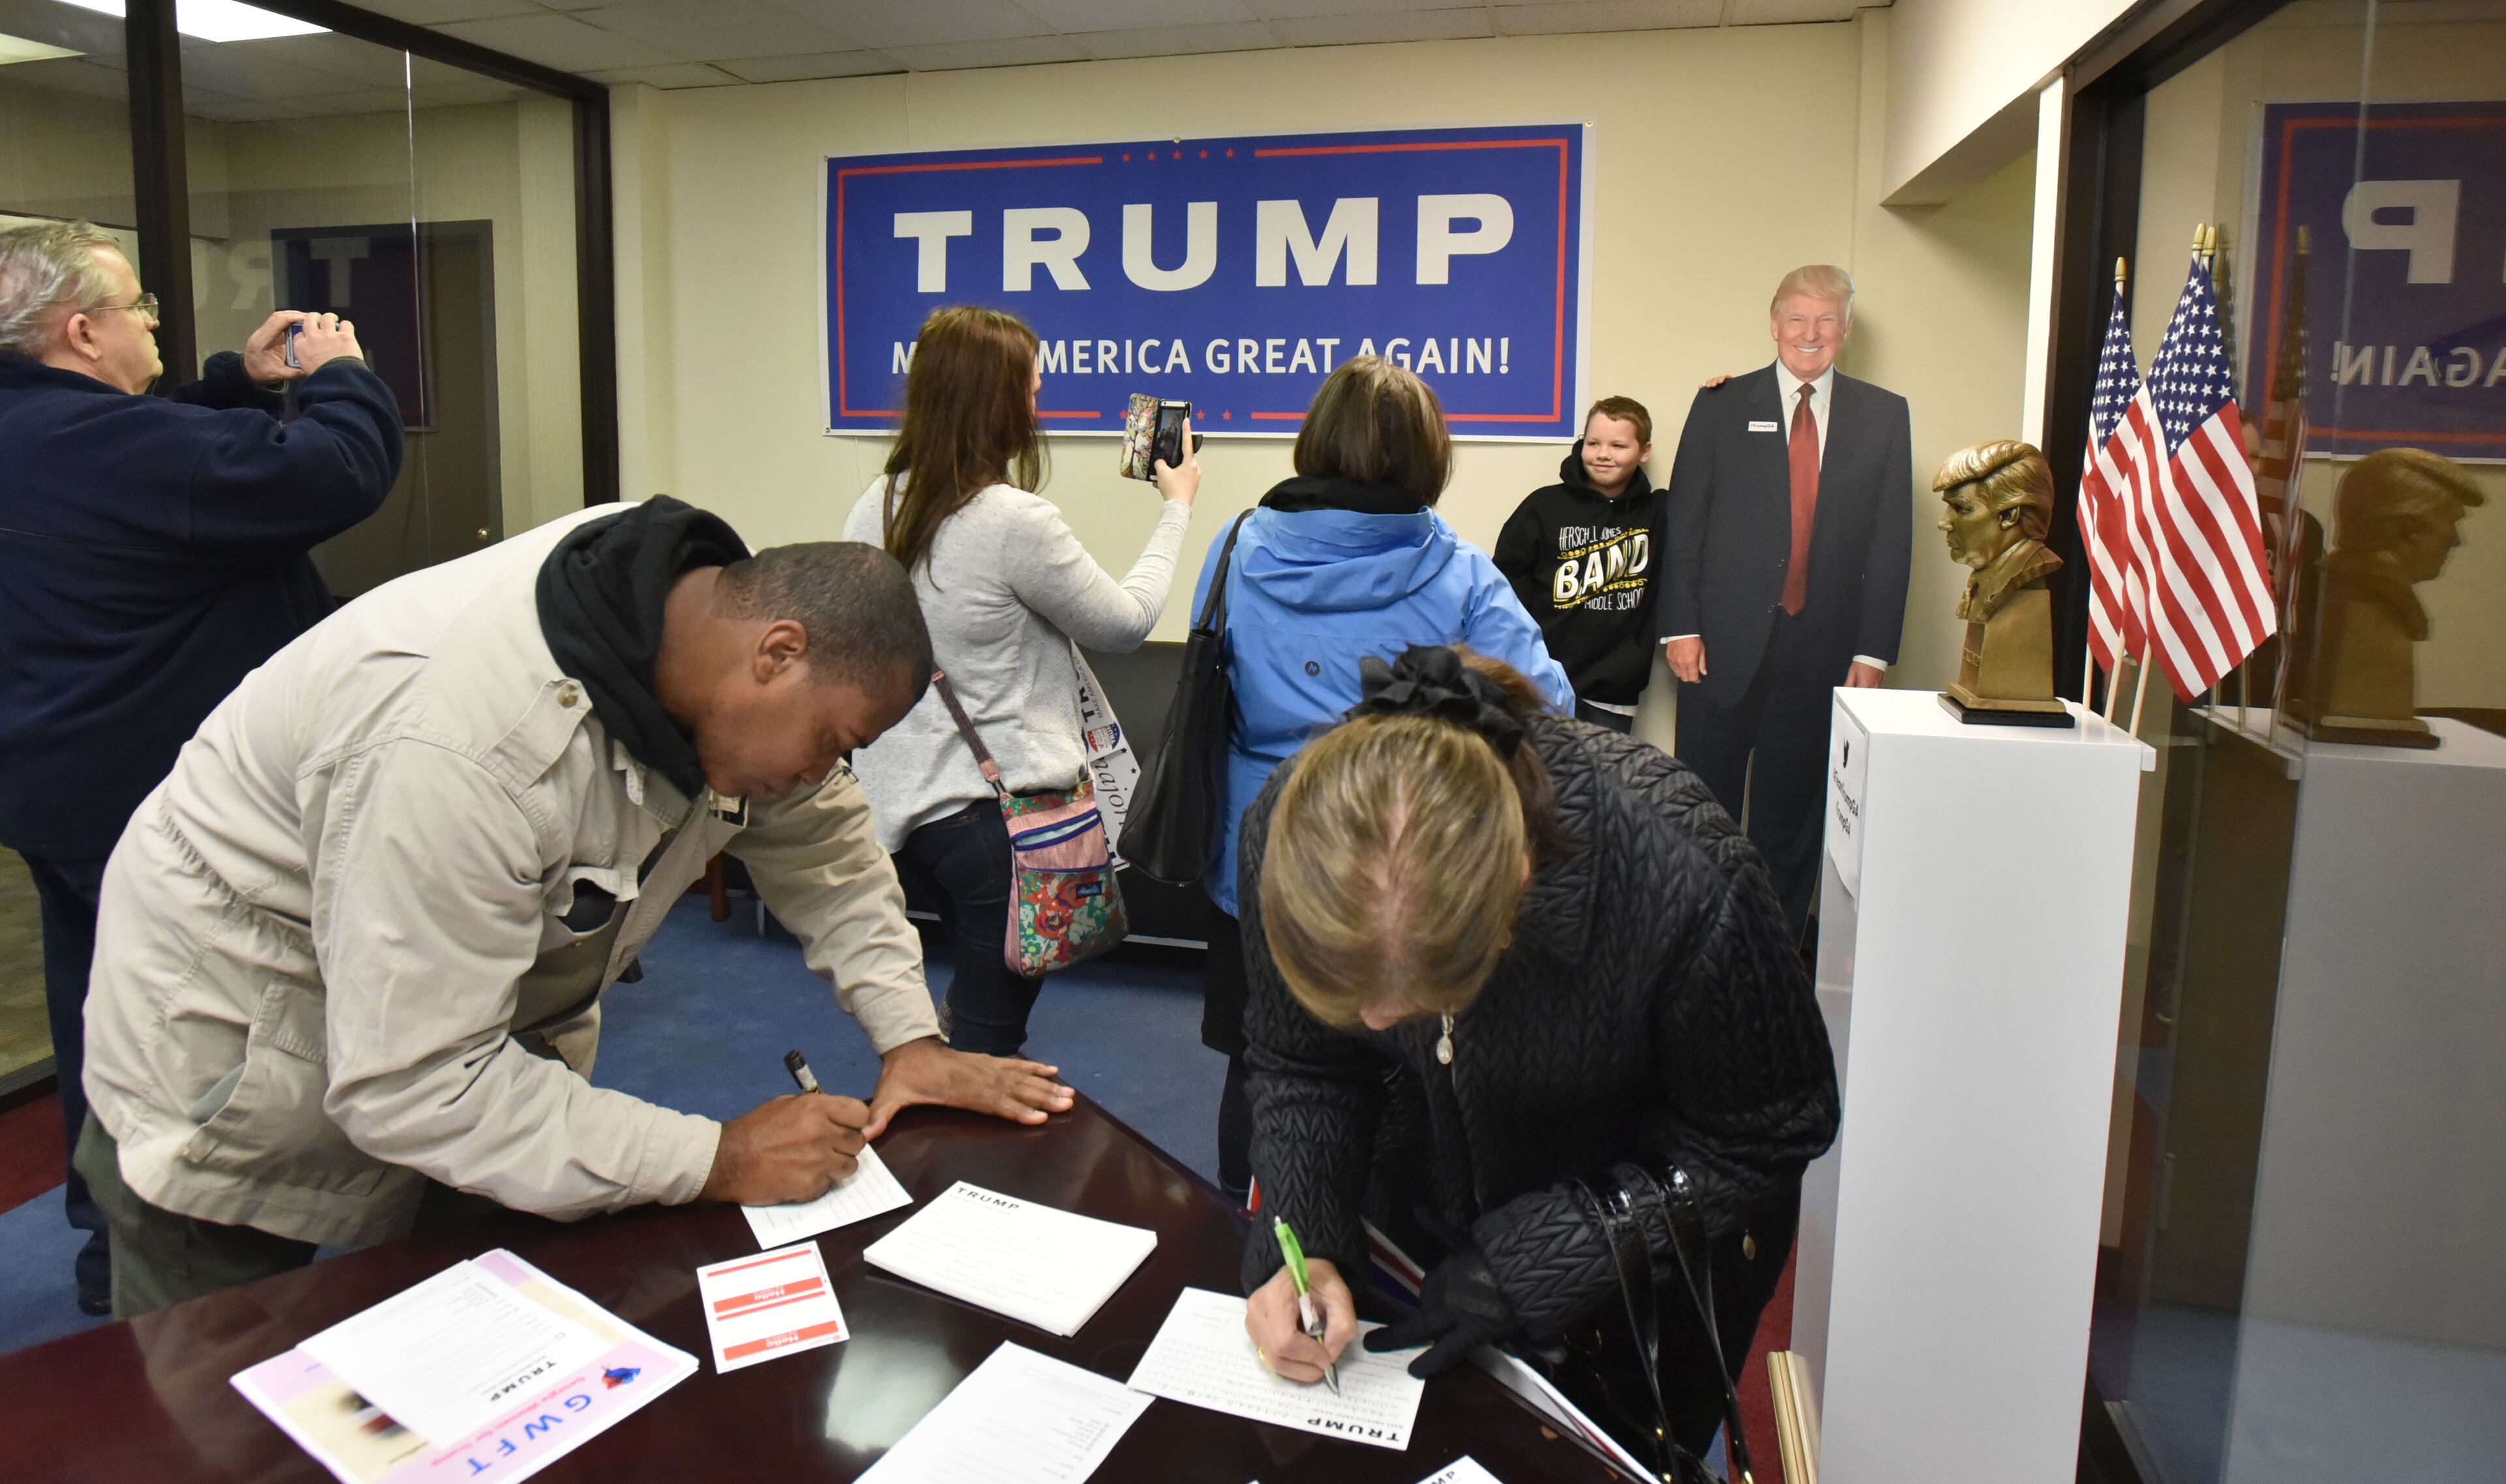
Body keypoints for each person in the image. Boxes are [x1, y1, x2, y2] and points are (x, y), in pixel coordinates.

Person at [75, 495, 1075, 1318]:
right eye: (830, 738)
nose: (823, 771)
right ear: (776, 650)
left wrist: (908, 1032)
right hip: (243, 1022)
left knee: (476, 1330)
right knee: (213, 1402)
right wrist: (715, 1155)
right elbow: (414, 1084)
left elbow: (823, 840)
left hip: (456, 1009)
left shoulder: (696, 630)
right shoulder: (464, 745)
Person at [1235, 646, 1838, 1466]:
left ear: (1517, 882)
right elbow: (1305, 1065)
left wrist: (1546, 1254)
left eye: (1405, 998)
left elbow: (1765, 1136)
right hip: (1422, 1245)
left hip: (1642, 1283)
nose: (1373, 1020)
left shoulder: (1685, 873)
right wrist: (1301, 1239)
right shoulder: (1288, 830)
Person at [0, 219, 403, 1316]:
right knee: (222, 1024)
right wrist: (341, 379)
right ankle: (202, 1252)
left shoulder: (41, 434)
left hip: (58, 783)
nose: (157, 331)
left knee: (103, 1009)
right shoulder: (102, 447)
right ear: (81, 332)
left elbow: (148, 454)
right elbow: (337, 471)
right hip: (169, 804)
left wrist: (233, 379)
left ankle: (104, 1238)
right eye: (140, 312)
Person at [1192, 356, 1571, 1208]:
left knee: (1266, 1066)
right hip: (1406, 865)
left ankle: (1244, 1236)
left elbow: (1212, 682)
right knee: (1399, 1072)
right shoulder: (1459, 570)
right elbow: (1549, 701)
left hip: (1261, 858)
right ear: (1430, 458)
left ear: (1313, 440)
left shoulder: (1235, 544)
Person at [844, 305, 1198, 1056]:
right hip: (1000, 830)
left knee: (969, 1012)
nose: (1037, 408)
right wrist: (1177, 510)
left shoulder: (872, 505)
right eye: (1032, 391)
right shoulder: (1015, 521)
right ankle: (945, 1158)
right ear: (998, 402)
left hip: (902, 819)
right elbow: (1126, 625)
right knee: (987, 1047)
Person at [1659, 264, 1912, 936]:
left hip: (1823, 652)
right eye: (1797, 319)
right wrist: (1679, 626)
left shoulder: (1885, 416)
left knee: (1792, 816)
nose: (1811, 333)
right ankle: (1694, 945)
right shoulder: (1720, 404)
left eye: (1826, 320)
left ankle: (1769, 952)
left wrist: (1874, 651)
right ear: (1773, 325)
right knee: (1701, 806)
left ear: (1847, 329)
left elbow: (1892, 543)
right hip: (1717, 649)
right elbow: (1685, 523)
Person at [1493, 395, 1665, 732]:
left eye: (1618, 445)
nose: (1603, 454)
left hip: (1614, 688)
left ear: (1644, 451)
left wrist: (1728, 396)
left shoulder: (1659, 513)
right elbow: (1503, 586)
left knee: (1601, 781)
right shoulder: (1543, 506)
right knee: (1538, 780)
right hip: (1543, 681)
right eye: (1593, 443)